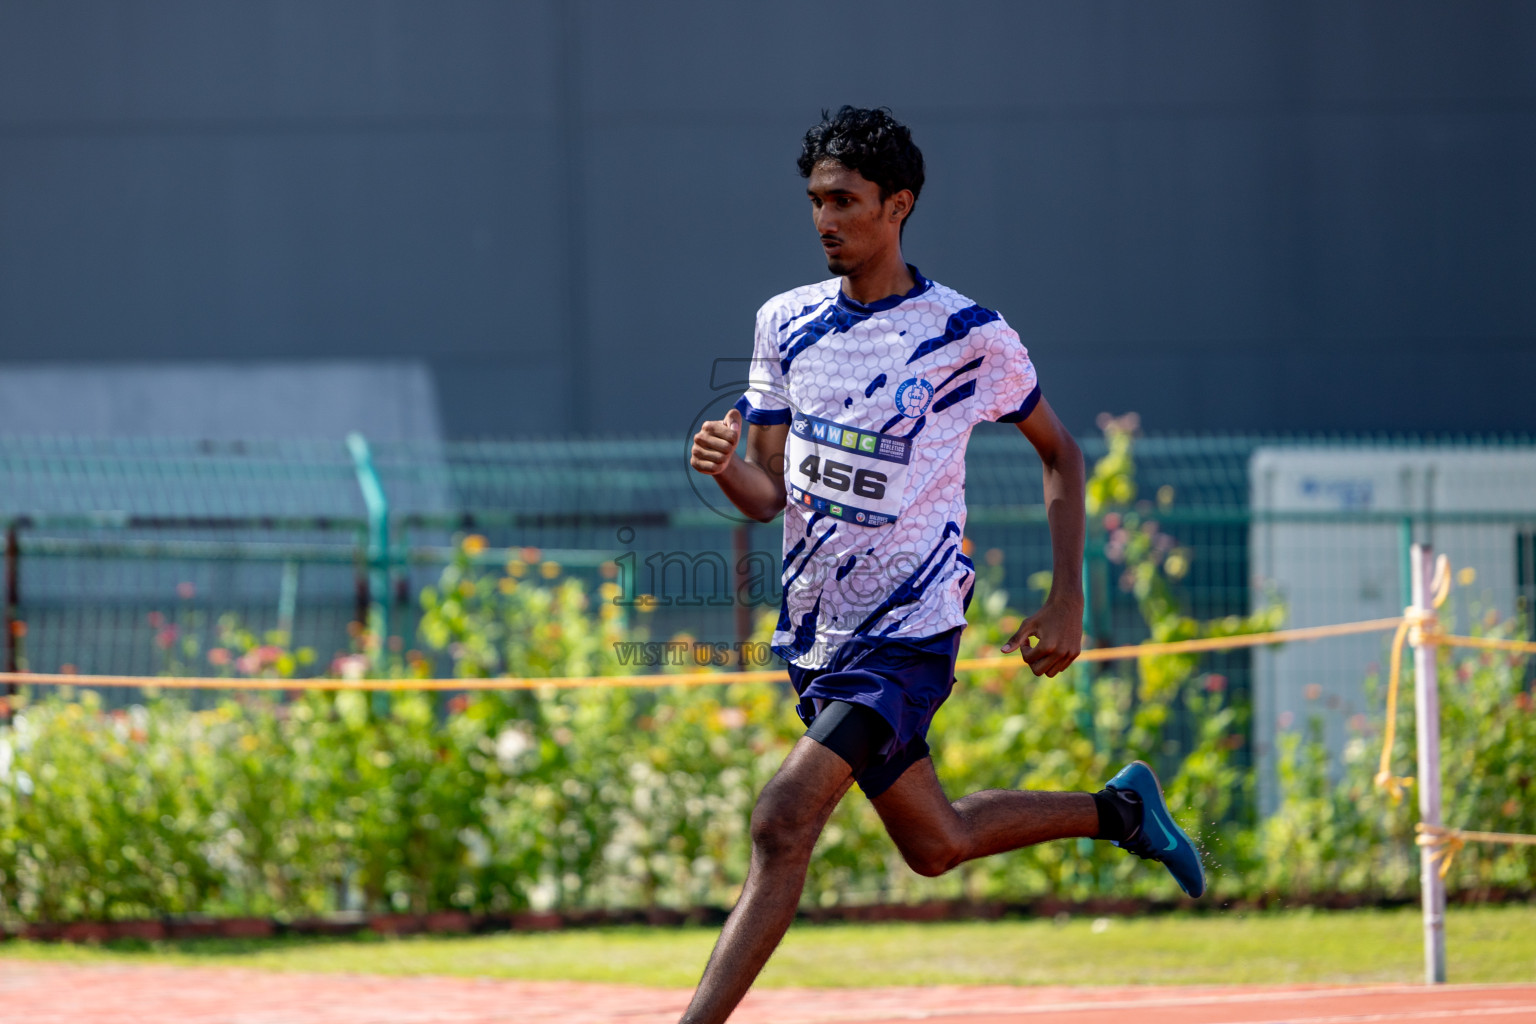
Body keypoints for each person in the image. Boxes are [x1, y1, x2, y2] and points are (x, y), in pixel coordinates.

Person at [685, 106, 1203, 1024]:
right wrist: (729, 471)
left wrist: (1066, 600)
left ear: (899, 204)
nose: (825, 219)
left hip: (909, 636)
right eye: (815, 201)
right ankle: (1121, 812)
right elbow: (769, 498)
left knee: (782, 819)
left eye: (844, 200)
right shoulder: (785, 323)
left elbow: (1061, 454)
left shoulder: (967, 333)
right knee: (938, 842)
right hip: (818, 634)